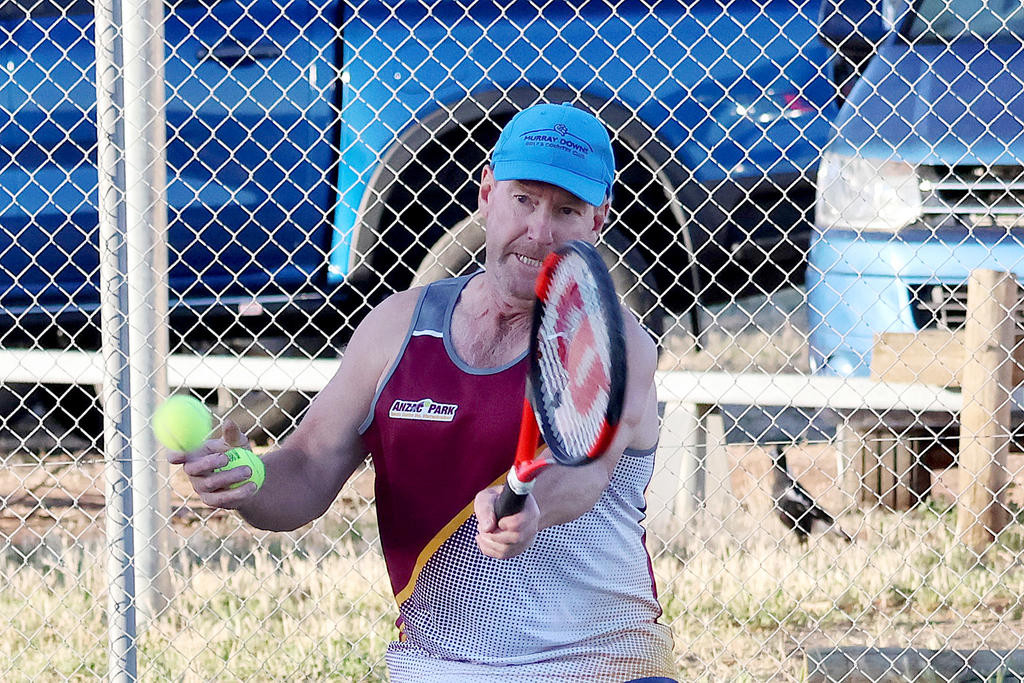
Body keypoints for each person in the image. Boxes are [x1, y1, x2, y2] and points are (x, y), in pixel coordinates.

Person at [169, 102, 676, 682]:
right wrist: (250, 478)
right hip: (437, 668)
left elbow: (587, 470)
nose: (539, 230)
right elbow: (308, 468)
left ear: (597, 222)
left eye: (566, 209)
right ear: (487, 194)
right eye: (524, 200)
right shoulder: (397, 328)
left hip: (600, 665)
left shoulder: (614, 339)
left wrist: (531, 508)